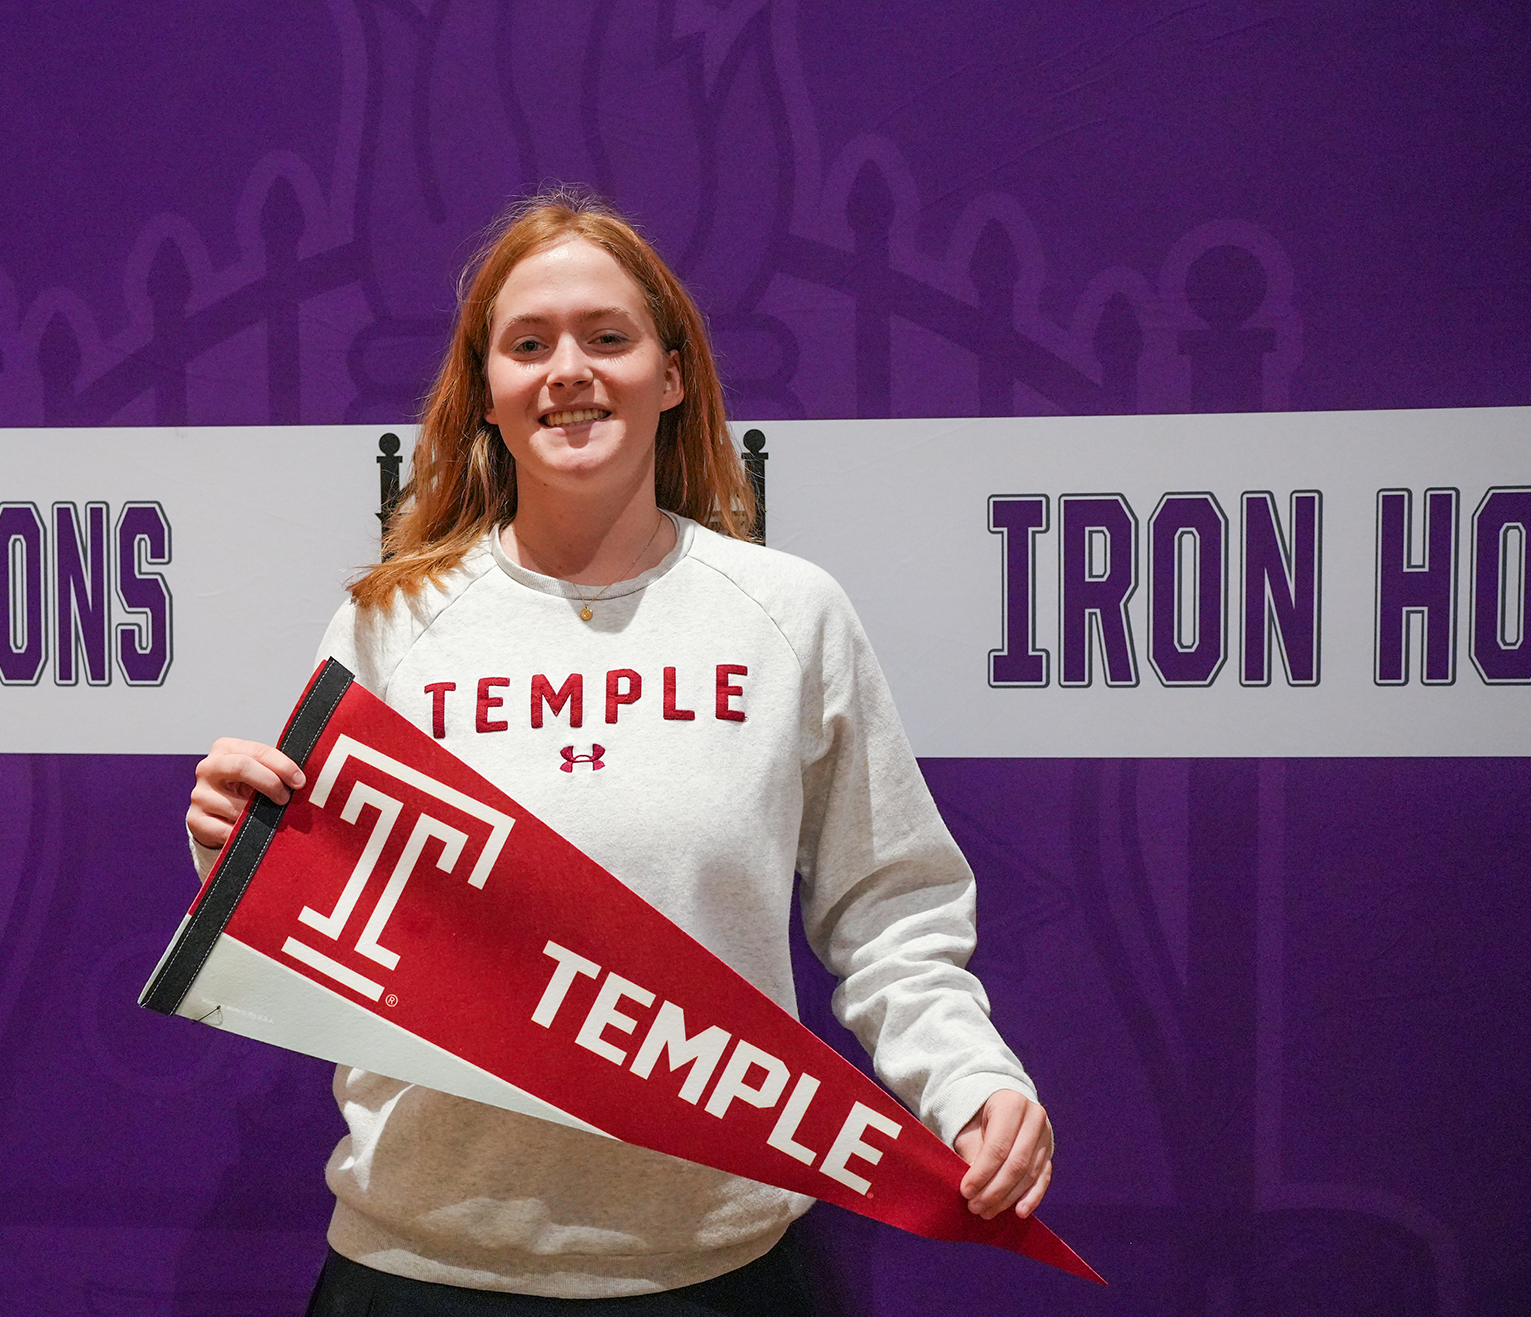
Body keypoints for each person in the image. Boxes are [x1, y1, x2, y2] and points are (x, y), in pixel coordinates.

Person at [185, 187, 1052, 1314]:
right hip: (425, 1267)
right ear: (486, 392)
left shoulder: (789, 612)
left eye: (608, 337)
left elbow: (890, 914)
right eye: (528, 344)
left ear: (673, 375)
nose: (568, 370)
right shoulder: (391, 621)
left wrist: (969, 1078)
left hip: (723, 1267)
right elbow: (334, 938)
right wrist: (239, 858)